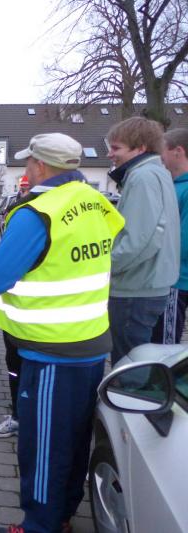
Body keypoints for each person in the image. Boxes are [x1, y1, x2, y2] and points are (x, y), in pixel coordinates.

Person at [0, 133, 124, 533]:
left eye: (29, 162)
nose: (26, 169)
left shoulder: (37, 212)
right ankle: (63, 513)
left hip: (50, 350)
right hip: (91, 342)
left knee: (43, 445)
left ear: (41, 166)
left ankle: (39, 526)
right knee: (75, 437)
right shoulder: (96, 201)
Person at [106, 117, 180, 364]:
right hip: (149, 285)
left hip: (134, 289)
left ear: (140, 148)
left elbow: (140, 240)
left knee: (129, 367)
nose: (109, 154)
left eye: (116, 148)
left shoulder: (142, 177)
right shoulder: (158, 173)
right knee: (140, 362)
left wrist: (107, 266)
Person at [0, 175, 32, 438]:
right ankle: (19, 412)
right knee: (16, 365)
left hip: (29, 315)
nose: (25, 190)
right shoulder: (90, 206)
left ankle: (20, 417)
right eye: (23, 187)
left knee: (21, 365)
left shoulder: (31, 214)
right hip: (71, 324)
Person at [152, 128, 188, 344]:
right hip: (169, 278)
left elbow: (182, 241)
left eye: (162, 151)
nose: (160, 158)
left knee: (165, 345)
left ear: (178, 151)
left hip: (176, 280)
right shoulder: (171, 186)